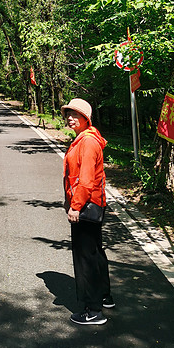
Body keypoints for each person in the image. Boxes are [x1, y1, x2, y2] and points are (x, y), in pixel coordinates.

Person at [61, 98, 113, 326]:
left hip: (87, 205)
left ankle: (93, 310)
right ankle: (104, 296)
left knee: (85, 258)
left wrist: (76, 206)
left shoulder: (88, 143)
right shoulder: (84, 139)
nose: (70, 117)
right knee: (94, 252)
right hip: (93, 204)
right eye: (68, 114)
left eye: (75, 114)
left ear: (86, 118)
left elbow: (86, 180)